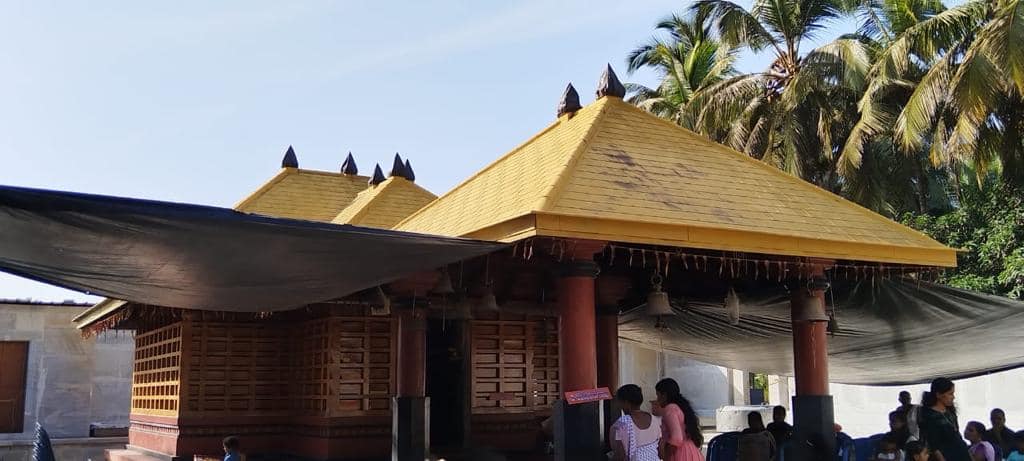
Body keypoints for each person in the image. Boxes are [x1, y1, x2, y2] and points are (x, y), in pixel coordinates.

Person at [918, 377, 970, 461]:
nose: (953, 397)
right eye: (950, 394)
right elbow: (933, 444)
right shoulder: (929, 415)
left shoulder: (950, 411)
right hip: (947, 456)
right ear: (938, 395)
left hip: (962, 454)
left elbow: (957, 434)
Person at [654, 378, 705, 461]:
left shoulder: (670, 409)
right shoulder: (680, 407)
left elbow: (676, 438)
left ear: (664, 395)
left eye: (658, 395)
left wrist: (666, 454)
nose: (657, 400)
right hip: (690, 451)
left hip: (680, 454)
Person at [610, 384, 661, 461]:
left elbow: (620, 455)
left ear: (626, 403)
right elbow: (660, 446)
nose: (618, 405)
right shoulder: (655, 420)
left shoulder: (622, 424)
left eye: (619, 402)